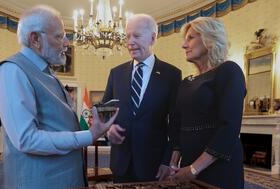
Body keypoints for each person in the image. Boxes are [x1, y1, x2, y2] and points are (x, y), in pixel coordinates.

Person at [0, 5, 118, 189]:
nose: (67, 43)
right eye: (59, 36)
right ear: (35, 39)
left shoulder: (48, 73)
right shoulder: (12, 71)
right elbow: (26, 139)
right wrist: (89, 135)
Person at [167, 17, 246, 189]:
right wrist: (173, 165)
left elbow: (229, 127)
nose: (184, 45)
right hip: (188, 164)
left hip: (219, 167)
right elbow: (176, 126)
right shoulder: (185, 82)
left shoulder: (229, 71)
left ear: (210, 39)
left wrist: (194, 169)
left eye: (191, 38)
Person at [102, 14, 182, 183]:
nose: (130, 42)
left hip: (154, 165)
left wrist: (168, 161)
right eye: (127, 36)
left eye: (136, 36)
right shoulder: (116, 73)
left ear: (153, 38)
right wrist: (109, 129)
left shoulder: (172, 75)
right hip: (121, 162)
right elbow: (104, 110)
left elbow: (176, 124)